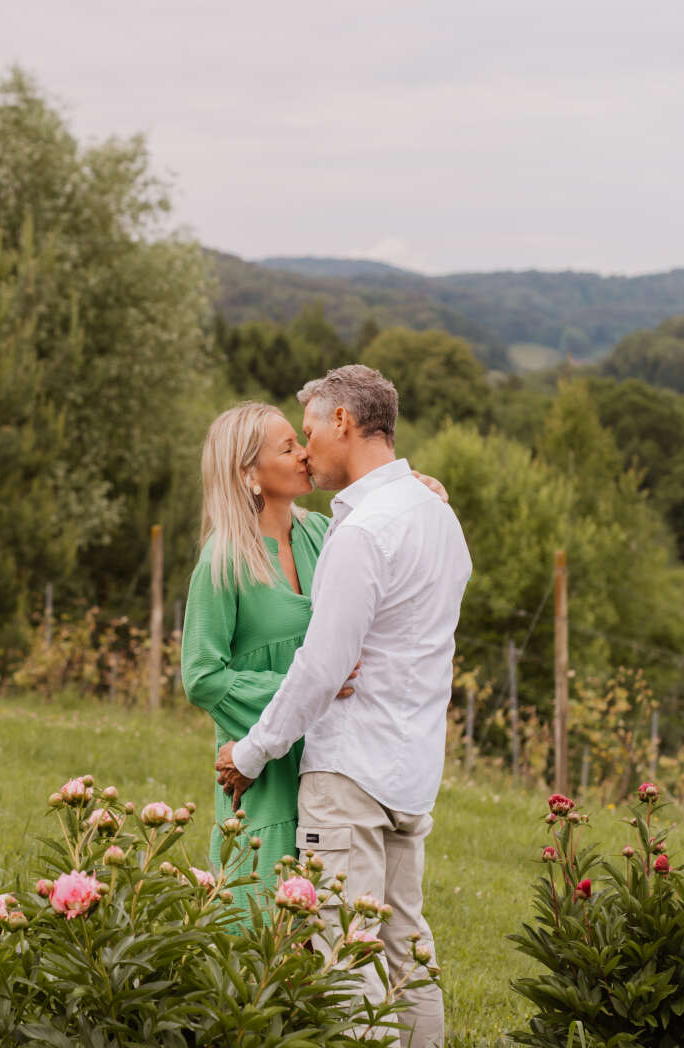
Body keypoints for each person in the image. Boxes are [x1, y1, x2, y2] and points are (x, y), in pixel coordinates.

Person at [214, 366, 471, 1048]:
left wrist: (250, 752)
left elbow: (322, 668)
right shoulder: (438, 517)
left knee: (343, 957)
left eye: (309, 432)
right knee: (406, 951)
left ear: (343, 424)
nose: (306, 451)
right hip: (412, 773)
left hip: (350, 774)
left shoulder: (360, 534)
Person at [181, 399, 447, 926]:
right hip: (262, 768)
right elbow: (201, 677)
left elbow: (383, 535)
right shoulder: (223, 561)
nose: (305, 454)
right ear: (248, 474)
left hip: (333, 759)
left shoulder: (323, 535)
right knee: (262, 924)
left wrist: (418, 490)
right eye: (287, 447)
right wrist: (298, 691)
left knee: (333, 921)